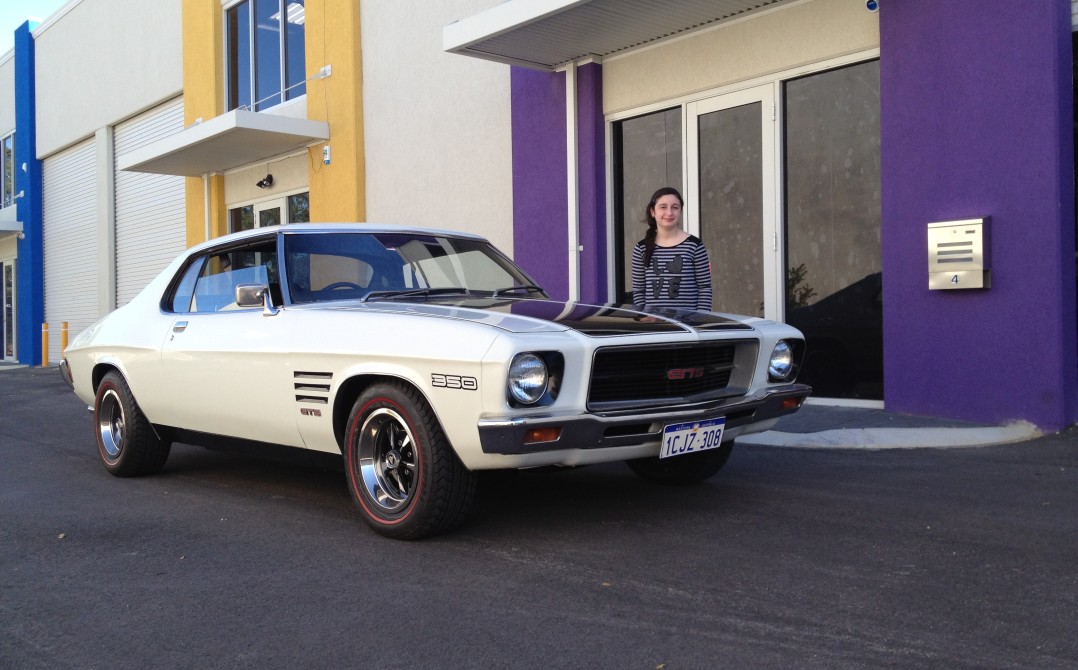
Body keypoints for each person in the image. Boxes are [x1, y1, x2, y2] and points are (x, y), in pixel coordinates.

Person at [631, 186, 713, 311]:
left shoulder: (695, 245)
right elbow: (639, 291)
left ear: (680, 211)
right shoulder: (641, 248)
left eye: (675, 207)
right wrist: (642, 317)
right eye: (663, 207)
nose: (669, 213)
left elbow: (704, 288)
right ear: (653, 212)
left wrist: (700, 318)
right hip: (653, 322)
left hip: (688, 322)